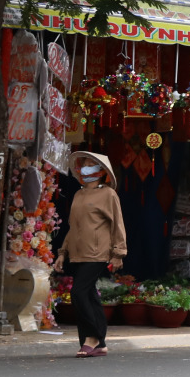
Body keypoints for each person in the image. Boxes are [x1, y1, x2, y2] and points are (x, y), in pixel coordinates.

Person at [53, 151, 127, 357]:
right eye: (83, 165)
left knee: (78, 292)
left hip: (98, 252)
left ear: (101, 171)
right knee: (89, 295)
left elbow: (118, 224)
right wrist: (62, 253)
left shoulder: (108, 194)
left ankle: (92, 337)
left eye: (89, 165)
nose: (84, 168)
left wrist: (119, 253)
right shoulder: (79, 194)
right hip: (78, 252)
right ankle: (99, 343)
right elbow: (73, 227)